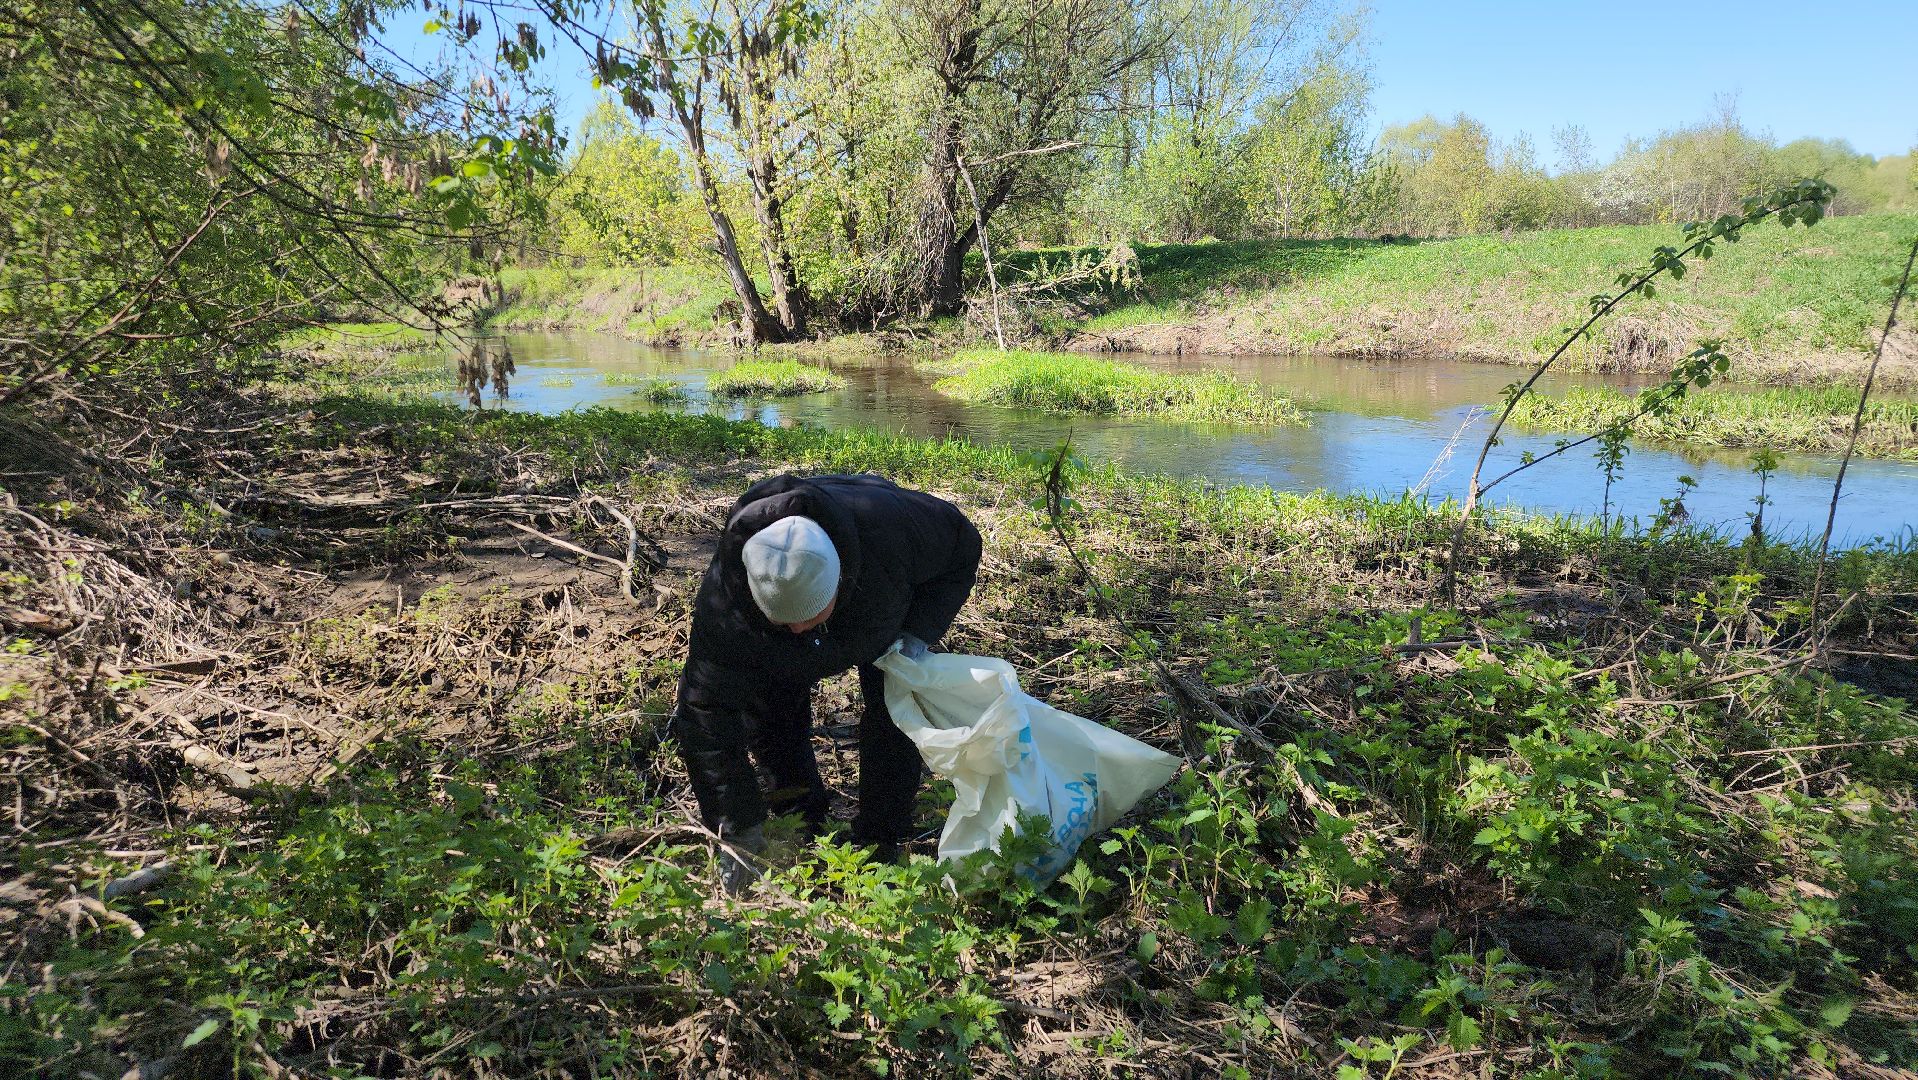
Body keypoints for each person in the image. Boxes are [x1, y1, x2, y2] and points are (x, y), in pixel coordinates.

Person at [673, 472, 983, 892]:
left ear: (839, 581)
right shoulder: (726, 604)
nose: (799, 630)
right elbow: (705, 712)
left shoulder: (897, 531)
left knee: (894, 712)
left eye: (811, 614)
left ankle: (880, 839)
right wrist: (736, 826)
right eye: (785, 620)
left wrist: (917, 632)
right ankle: (802, 819)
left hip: (879, 615)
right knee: (772, 708)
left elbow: (964, 548)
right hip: (776, 634)